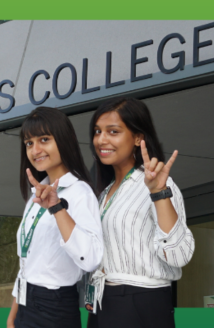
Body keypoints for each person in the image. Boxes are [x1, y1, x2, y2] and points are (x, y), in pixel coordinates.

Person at [87, 97, 195, 328]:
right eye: (97, 131)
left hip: (141, 300)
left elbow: (179, 255)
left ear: (138, 137)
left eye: (113, 131)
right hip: (103, 300)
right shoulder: (104, 194)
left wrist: (158, 193)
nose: (101, 139)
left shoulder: (159, 185)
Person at [7, 106, 103, 328]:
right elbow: (27, 264)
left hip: (54, 308)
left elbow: (90, 258)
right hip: (25, 304)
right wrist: (13, 315)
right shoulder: (34, 198)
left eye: (44, 139)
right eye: (29, 143)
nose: (35, 149)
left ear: (64, 139)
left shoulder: (80, 192)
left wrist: (57, 208)